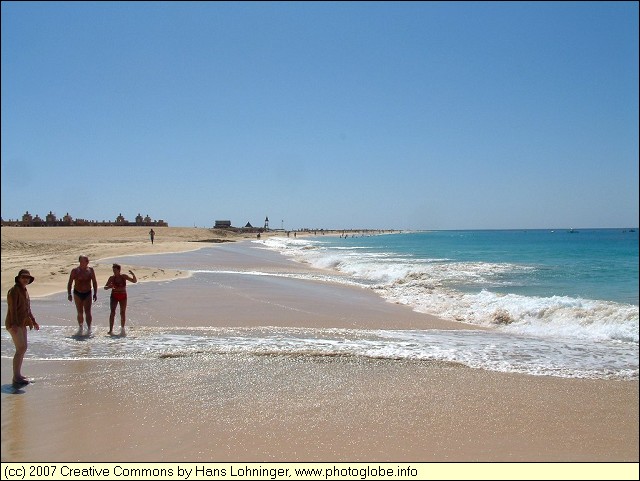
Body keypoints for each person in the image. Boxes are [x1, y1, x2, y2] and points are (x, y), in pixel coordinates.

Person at [5, 269, 40, 386]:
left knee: (23, 348)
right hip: (13, 323)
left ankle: (18, 375)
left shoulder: (24, 290)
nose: (25, 279)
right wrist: (14, 323)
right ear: (18, 278)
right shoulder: (14, 291)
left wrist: (34, 321)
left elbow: (27, 308)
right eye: (23, 277)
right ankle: (16, 377)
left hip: (22, 323)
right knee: (21, 348)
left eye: (27, 278)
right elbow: (12, 308)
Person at [67, 255, 98, 335]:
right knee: (80, 312)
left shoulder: (90, 270)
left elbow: (94, 282)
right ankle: (80, 327)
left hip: (88, 292)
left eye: (87, 261)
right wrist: (69, 294)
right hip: (77, 292)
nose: (87, 262)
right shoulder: (75, 271)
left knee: (88, 312)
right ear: (81, 262)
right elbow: (70, 282)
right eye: (86, 260)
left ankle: (89, 328)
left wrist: (95, 293)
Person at [104, 263, 137, 336]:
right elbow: (105, 287)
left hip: (123, 296)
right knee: (112, 312)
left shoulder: (123, 276)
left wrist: (133, 274)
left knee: (122, 312)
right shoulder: (111, 278)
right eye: (113, 270)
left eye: (115, 270)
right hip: (114, 296)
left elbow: (134, 281)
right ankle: (110, 330)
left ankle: (122, 329)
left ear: (119, 270)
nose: (114, 272)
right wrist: (109, 286)